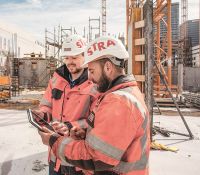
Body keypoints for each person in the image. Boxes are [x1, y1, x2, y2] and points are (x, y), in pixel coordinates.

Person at [39, 36, 150, 175]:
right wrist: (86, 134)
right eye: (66, 58)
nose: (90, 78)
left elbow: (95, 156)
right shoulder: (117, 95)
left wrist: (53, 141)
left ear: (108, 67)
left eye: (91, 71)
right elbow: (109, 136)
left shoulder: (119, 102)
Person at [37, 34, 98, 175]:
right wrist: (43, 114)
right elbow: (46, 104)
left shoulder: (94, 83)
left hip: (78, 158)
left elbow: (96, 120)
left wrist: (70, 126)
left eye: (75, 57)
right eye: (66, 58)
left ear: (85, 56)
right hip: (55, 155)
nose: (70, 62)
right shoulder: (56, 79)